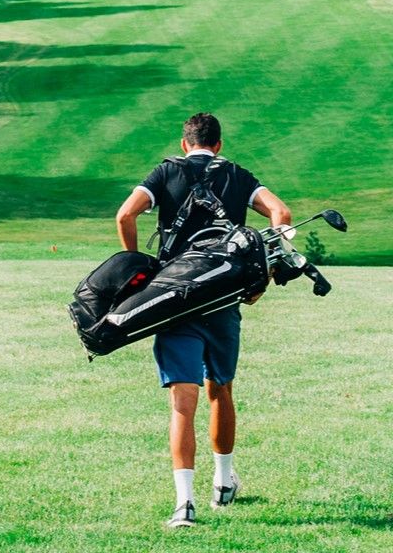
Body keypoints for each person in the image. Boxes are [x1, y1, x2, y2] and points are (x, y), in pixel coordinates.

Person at [114, 112, 292, 530]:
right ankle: (224, 482)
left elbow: (125, 216)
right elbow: (280, 214)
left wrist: (140, 268)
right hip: (223, 300)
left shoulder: (164, 173)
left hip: (175, 302)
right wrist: (264, 272)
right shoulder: (236, 174)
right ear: (218, 144)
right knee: (221, 390)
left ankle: (184, 505)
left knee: (182, 401)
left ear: (184, 144)